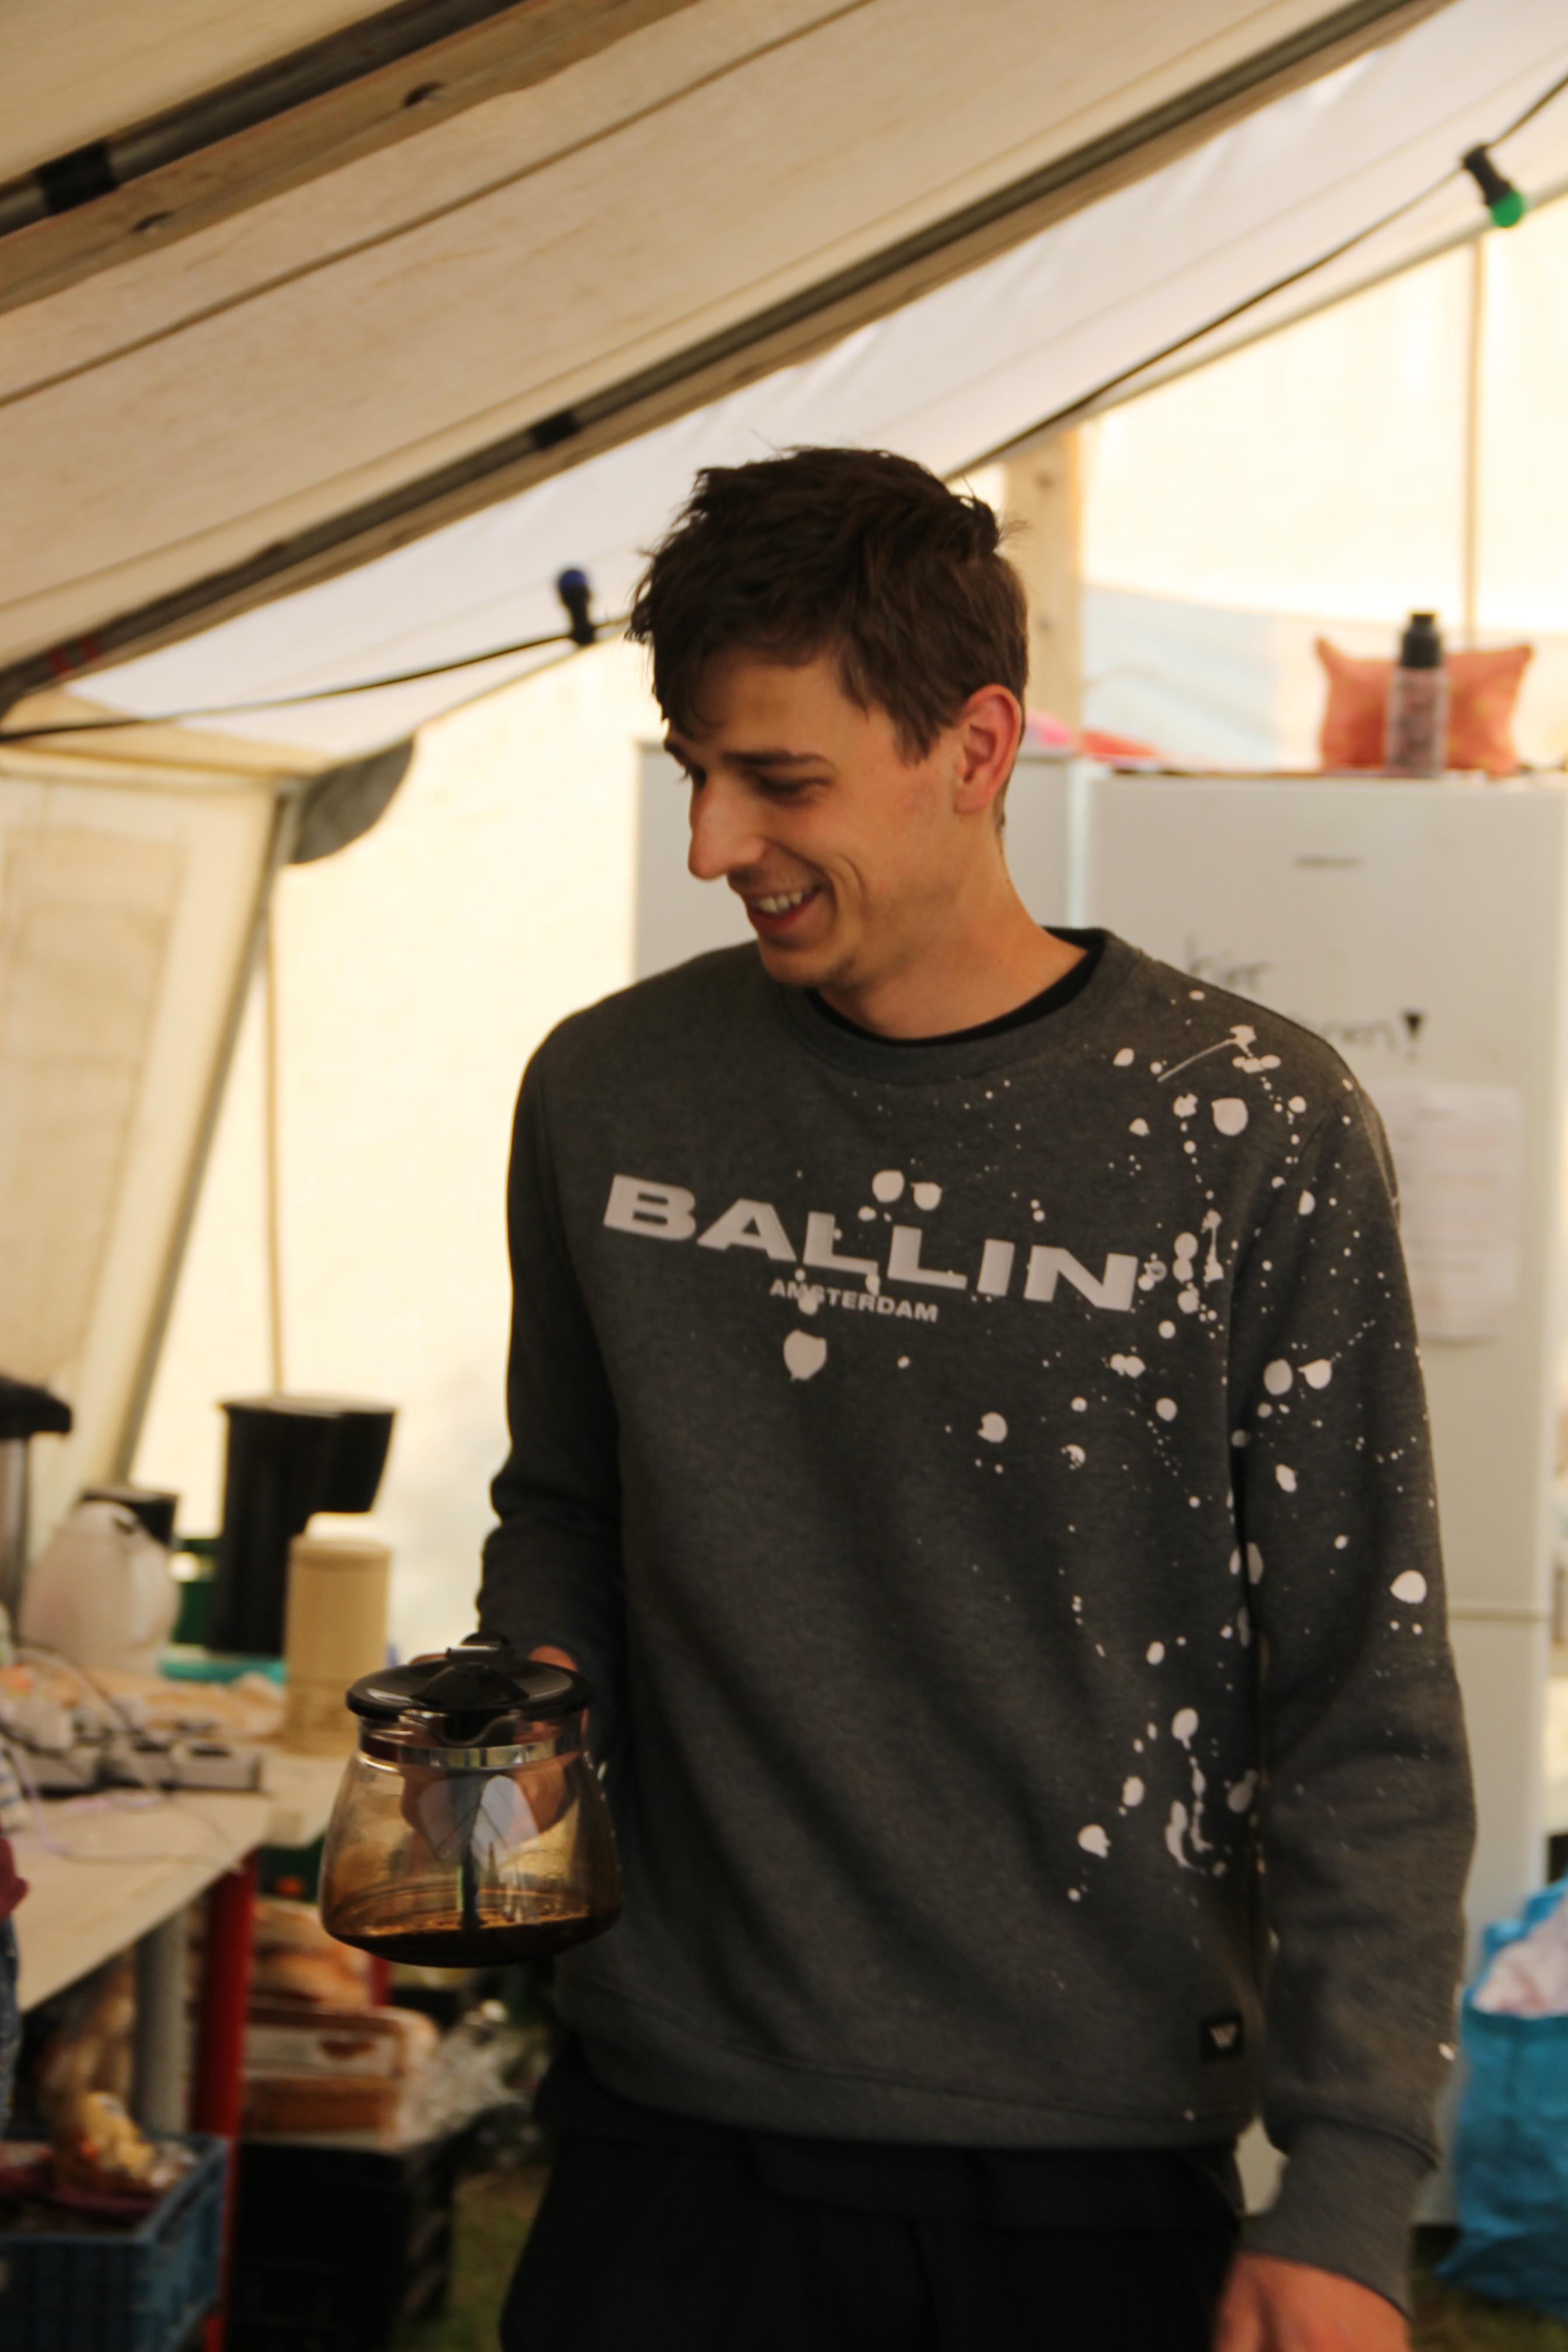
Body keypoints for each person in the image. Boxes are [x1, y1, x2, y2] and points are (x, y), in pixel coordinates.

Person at [479, 447, 1474, 2352]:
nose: (713, 843)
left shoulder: (1247, 1126)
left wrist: (1350, 2188)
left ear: (976, 745)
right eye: (694, 769)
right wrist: (523, 1727)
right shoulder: (611, 1095)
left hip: (1085, 2166)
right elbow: (569, 1510)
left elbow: (1368, 1689)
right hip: (672, 2129)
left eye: (781, 781)